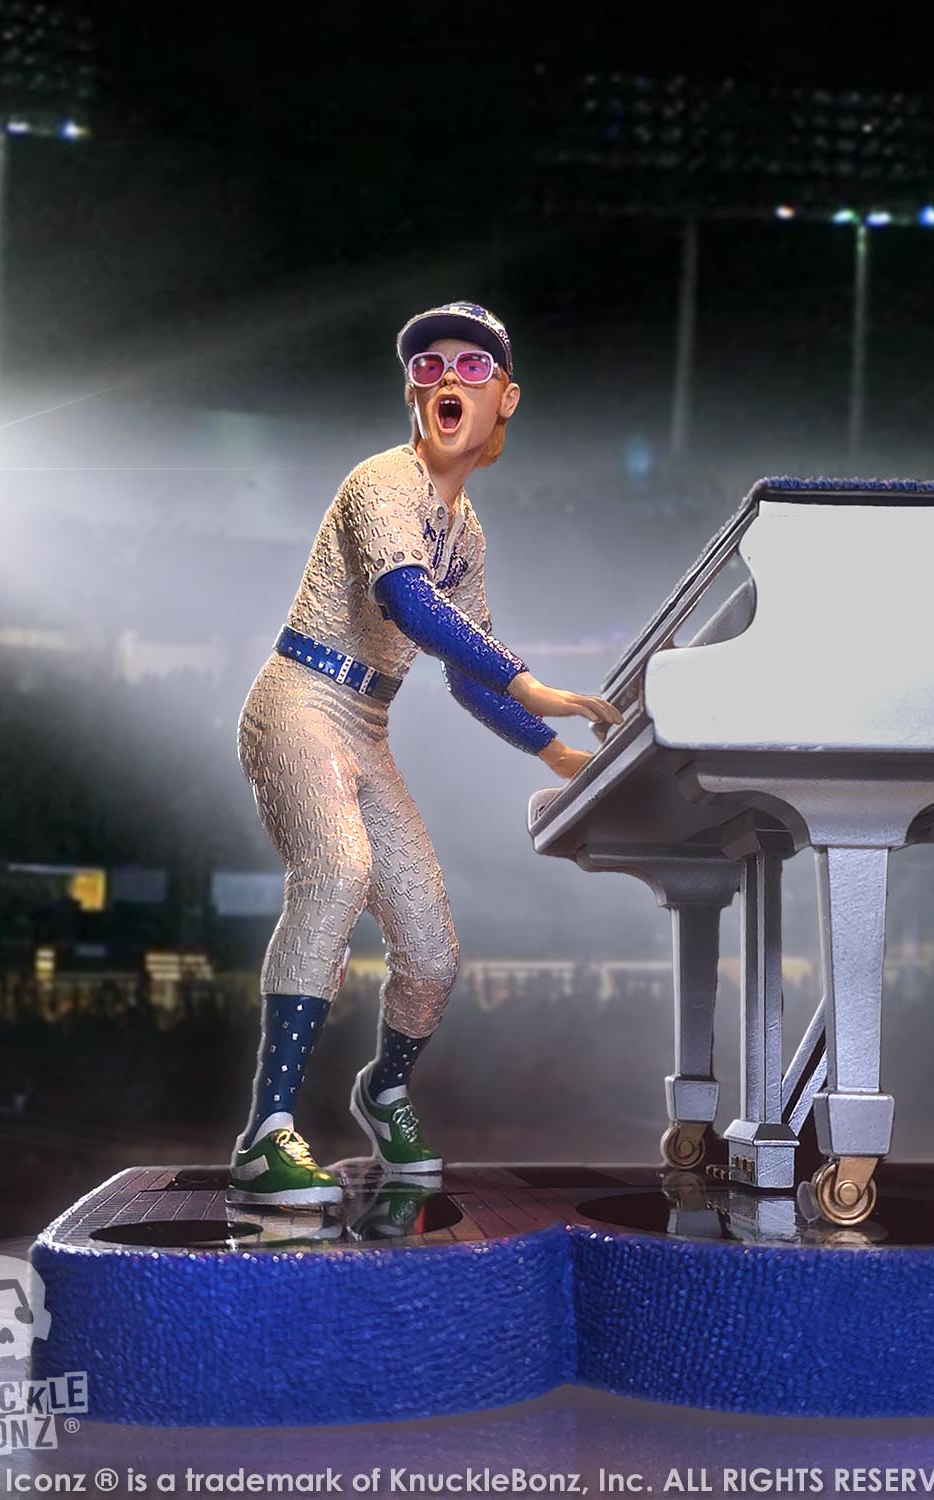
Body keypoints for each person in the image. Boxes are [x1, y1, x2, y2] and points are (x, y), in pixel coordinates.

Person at [228, 301, 620, 1206]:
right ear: (411, 391)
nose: (447, 378)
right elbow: (408, 600)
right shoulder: (381, 479)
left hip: (367, 725)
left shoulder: (468, 532)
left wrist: (557, 754)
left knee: (434, 952)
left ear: (505, 399)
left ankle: (385, 1090)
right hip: (298, 698)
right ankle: (265, 1133)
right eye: (428, 365)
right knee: (338, 870)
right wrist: (529, 681)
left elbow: (464, 677)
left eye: (473, 368)